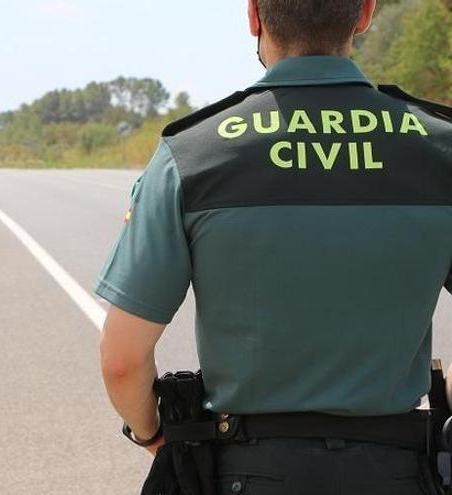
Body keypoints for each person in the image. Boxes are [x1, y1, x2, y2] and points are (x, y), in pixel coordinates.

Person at [95, 0, 452, 493]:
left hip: (246, 470)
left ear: (254, 16)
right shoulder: (440, 148)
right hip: (397, 470)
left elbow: (122, 360)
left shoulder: (193, 154)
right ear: (366, 13)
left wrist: (155, 434)